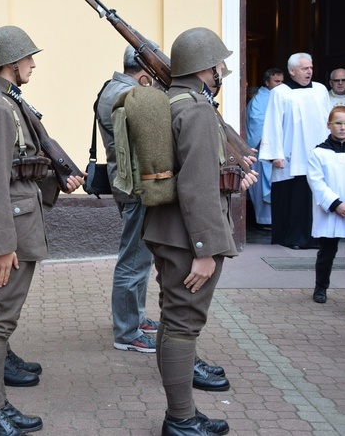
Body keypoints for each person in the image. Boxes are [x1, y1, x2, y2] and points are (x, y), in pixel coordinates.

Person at [0, 25, 84, 435]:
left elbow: (20, 165)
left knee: (1, 320)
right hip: (7, 235)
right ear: (11, 64)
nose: (33, 63)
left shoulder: (6, 103)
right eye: (28, 57)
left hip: (14, 227)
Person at [142, 27, 257, 435]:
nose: (222, 68)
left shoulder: (172, 101)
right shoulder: (197, 109)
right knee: (183, 326)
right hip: (188, 238)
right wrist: (206, 250)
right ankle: (180, 419)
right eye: (220, 63)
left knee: (172, 321)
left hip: (167, 230)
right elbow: (197, 184)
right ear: (208, 68)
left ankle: (182, 414)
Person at [95, 45, 159, 354]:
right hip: (134, 186)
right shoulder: (127, 94)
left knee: (140, 257)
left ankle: (135, 319)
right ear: (145, 72)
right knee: (133, 260)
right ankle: (127, 331)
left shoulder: (115, 88)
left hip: (127, 183)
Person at [259, 53, 331, 249]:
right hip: (292, 152)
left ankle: (317, 237)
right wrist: (275, 154)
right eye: (304, 68)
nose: (309, 71)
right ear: (292, 71)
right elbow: (273, 123)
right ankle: (292, 238)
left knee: (315, 196)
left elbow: (328, 120)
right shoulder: (280, 92)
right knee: (295, 198)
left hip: (318, 152)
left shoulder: (321, 90)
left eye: (310, 68)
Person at [307, 106, 345, 309]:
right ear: (329, 125)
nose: (342, 128)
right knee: (326, 253)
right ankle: (320, 287)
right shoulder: (318, 153)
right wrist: (336, 204)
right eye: (338, 123)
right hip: (330, 211)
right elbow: (316, 182)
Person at [246, 68, 284, 227]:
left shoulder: (284, 95)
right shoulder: (258, 100)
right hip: (263, 150)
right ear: (267, 82)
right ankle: (265, 221)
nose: (280, 85)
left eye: (282, 82)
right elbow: (257, 122)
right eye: (276, 82)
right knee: (262, 185)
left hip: (281, 149)